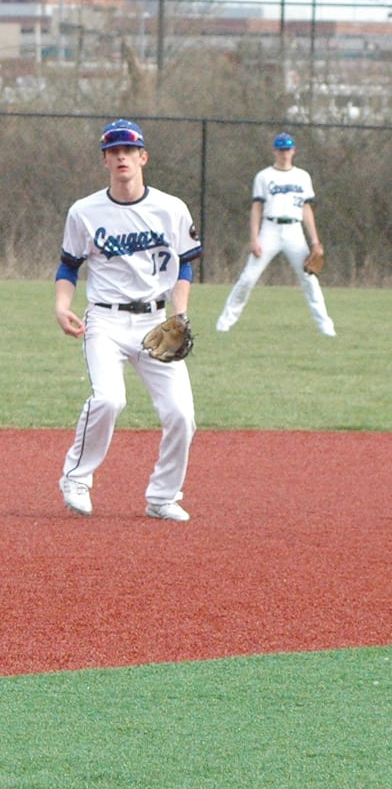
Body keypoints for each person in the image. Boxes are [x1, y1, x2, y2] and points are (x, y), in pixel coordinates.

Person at [53, 119, 203, 521]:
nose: (121, 156)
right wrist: (61, 305)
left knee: (181, 414)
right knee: (108, 399)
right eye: (113, 151)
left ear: (143, 158)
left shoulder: (170, 208)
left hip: (156, 323)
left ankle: (163, 497)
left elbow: (185, 267)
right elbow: (69, 266)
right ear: (105, 160)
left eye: (128, 150)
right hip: (105, 322)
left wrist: (180, 313)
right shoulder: (84, 212)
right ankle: (76, 478)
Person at [215, 132, 335, 336]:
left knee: (309, 279)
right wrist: (254, 238)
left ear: (294, 151)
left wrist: (315, 241)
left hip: (294, 230)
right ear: (274, 151)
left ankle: (325, 326)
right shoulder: (264, 176)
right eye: (281, 149)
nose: (284, 153)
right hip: (270, 229)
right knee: (248, 278)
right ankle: (224, 323)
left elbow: (306, 209)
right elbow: (256, 208)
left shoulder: (302, 176)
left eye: (287, 149)